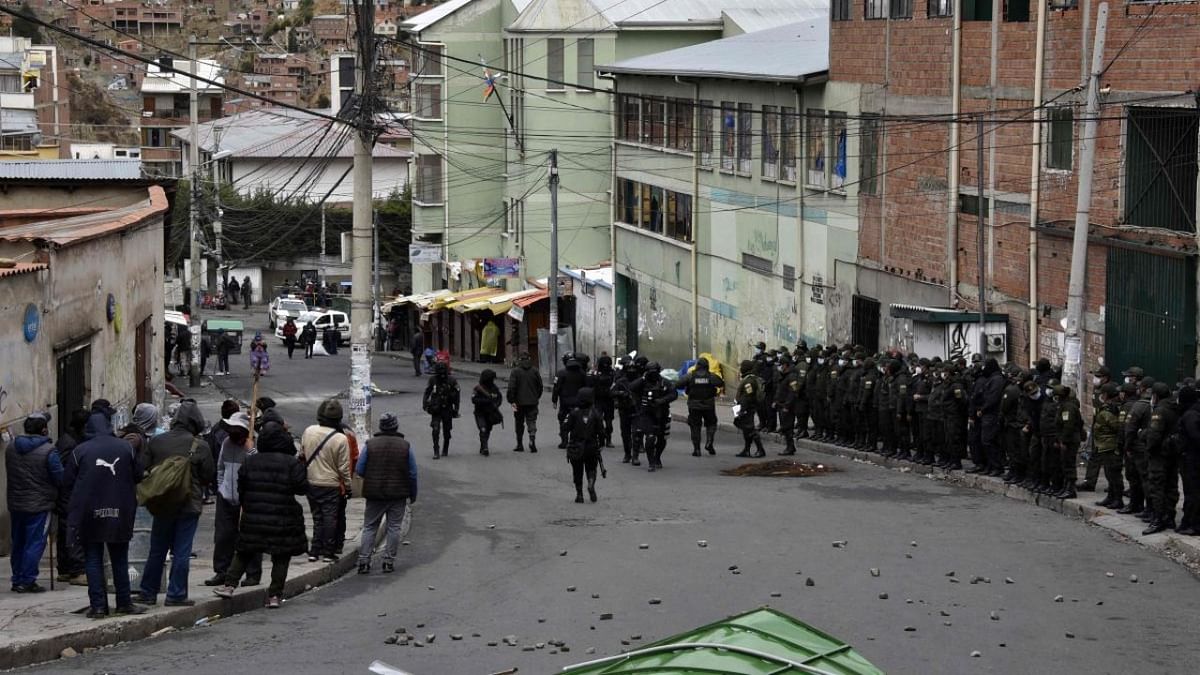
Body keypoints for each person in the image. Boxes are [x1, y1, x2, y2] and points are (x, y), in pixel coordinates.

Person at [213, 424, 307, 608]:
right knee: (281, 556)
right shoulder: (291, 463)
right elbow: (302, 488)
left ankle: (229, 585)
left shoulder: (250, 461)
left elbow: (241, 486)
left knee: (245, 551)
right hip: (283, 517)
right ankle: (274, 595)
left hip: (254, 515)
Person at [67, 405, 145, 618]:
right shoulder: (125, 448)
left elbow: (68, 482)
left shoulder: (80, 451)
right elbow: (139, 474)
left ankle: (99, 606)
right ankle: (124, 602)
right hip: (120, 510)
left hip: (89, 512)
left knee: (92, 558)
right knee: (119, 558)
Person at [133, 400, 214, 607]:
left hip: (162, 504)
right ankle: (176, 594)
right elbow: (208, 476)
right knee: (182, 551)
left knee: (157, 549)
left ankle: (148, 592)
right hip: (189, 504)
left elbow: (143, 468)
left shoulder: (157, 442)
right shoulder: (200, 446)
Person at [355, 413, 418, 575]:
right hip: (398, 494)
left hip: (374, 493)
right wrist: (413, 493)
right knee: (394, 527)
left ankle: (364, 561)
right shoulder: (405, 446)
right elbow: (412, 473)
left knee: (370, 526)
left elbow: (359, 470)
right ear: (396, 426)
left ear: (381, 427)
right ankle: (388, 561)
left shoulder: (370, 445)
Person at [6, 411, 61, 593]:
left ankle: (17, 578)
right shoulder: (49, 451)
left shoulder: (11, 447)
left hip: (16, 502)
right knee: (35, 542)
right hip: (40, 504)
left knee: (19, 541)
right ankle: (27, 580)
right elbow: (59, 478)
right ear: (44, 430)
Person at [209, 412, 262, 588]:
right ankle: (221, 571)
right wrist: (220, 487)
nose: (234, 435)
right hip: (225, 497)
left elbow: (259, 468)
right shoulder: (226, 443)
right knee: (223, 536)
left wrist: (250, 449)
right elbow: (221, 467)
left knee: (249, 538)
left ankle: (253, 574)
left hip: (247, 499)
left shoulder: (252, 447)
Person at [299, 399, 352, 562]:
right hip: (331, 484)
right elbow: (344, 467)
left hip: (311, 481)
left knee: (317, 517)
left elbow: (302, 454)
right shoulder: (340, 439)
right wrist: (348, 487)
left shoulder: (309, 431)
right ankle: (328, 552)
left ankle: (315, 550)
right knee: (330, 517)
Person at [53, 409, 90, 586]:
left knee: (66, 531)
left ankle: (66, 569)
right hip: (68, 494)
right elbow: (61, 471)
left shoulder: (72, 440)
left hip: (68, 493)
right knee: (71, 530)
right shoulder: (69, 443)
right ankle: (75, 570)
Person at [1143, 381, 1182, 534]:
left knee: (1157, 486)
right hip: (1172, 453)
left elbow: (1154, 434)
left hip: (1160, 454)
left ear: (1156, 396)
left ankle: (1158, 519)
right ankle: (1169, 517)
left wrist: (1148, 447)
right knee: (1171, 486)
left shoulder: (1160, 410)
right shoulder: (1175, 407)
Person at [631, 362, 677, 471]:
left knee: (661, 439)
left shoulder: (664, 382)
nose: (652, 374)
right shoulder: (643, 382)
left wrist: (662, 400)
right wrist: (643, 378)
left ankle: (657, 458)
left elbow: (673, 394)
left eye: (654, 372)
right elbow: (632, 387)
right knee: (650, 438)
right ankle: (651, 462)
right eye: (650, 371)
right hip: (647, 414)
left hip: (662, 413)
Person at [1078, 365, 1114, 491]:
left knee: (1109, 457)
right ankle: (1089, 482)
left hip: (1106, 429)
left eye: (1099, 377)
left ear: (1106, 378)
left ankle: (1114, 484)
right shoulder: (1096, 388)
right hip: (1096, 425)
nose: (1096, 379)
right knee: (1094, 455)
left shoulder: (1110, 389)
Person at [565, 388, 604, 503]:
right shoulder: (596, 413)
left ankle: (579, 495)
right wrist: (601, 443)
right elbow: (601, 431)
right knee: (591, 468)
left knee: (577, 471)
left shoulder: (573, 413)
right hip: (591, 446)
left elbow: (565, 427)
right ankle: (591, 483)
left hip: (576, 447)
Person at [1092, 383, 1126, 510]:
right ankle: (1111, 497)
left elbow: (1116, 426)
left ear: (1105, 395)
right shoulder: (1106, 408)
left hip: (1111, 445)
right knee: (1108, 473)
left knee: (1114, 474)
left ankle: (1118, 499)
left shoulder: (1110, 410)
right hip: (1104, 445)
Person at [680, 357, 722, 457]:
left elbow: (678, 384)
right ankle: (709, 442)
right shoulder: (711, 376)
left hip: (694, 406)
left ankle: (697, 450)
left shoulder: (690, 376)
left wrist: (688, 387)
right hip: (708, 405)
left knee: (695, 427)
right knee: (711, 424)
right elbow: (720, 383)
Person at [507, 352, 543, 453]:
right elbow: (540, 386)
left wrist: (512, 400)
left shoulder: (515, 371)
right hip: (532, 402)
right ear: (529, 359)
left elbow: (511, 388)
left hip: (518, 403)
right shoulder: (535, 370)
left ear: (520, 360)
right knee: (532, 421)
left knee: (519, 423)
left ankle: (519, 444)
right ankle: (532, 438)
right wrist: (536, 397)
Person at [423, 362, 460, 459]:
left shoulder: (452, 380)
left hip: (447, 408)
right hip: (436, 408)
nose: (442, 374)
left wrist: (456, 408)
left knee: (447, 431)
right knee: (435, 429)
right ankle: (436, 450)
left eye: (443, 371)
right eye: (440, 371)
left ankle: (445, 448)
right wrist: (425, 404)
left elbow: (457, 395)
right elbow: (427, 392)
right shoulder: (433, 380)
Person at [1176, 385, 1200, 535]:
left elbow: (1195, 437)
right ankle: (1188, 521)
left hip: (1192, 459)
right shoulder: (1192, 411)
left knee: (1193, 492)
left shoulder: (1191, 414)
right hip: (1191, 458)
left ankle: (1195, 524)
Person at [553, 356, 588, 450]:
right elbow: (586, 387)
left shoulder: (561, 373)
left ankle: (564, 440)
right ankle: (576, 439)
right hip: (578, 402)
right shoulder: (582, 373)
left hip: (565, 402)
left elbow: (556, 388)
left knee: (563, 419)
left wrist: (554, 400)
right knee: (578, 419)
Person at [734, 360, 766, 459]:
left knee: (750, 429)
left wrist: (743, 409)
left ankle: (760, 450)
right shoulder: (747, 378)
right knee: (746, 429)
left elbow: (748, 396)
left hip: (747, 408)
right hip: (744, 407)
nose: (740, 369)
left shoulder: (749, 381)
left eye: (742, 367)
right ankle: (746, 450)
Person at [612, 357, 640, 462]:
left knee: (637, 433)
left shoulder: (640, 381)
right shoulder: (621, 381)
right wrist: (621, 394)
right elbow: (612, 392)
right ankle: (627, 454)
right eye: (629, 368)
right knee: (625, 434)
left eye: (633, 369)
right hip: (624, 409)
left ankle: (635, 456)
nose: (631, 371)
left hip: (637, 410)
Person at [472, 370, 503, 456]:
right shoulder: (478, 388)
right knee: (483, 428)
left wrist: (496, 405)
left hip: (490, 413)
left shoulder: (494, 388)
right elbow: (474, 399)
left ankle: (483, 445)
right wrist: (486, 401)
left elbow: (499, 398)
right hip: (480, 412)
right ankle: (485, 447)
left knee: (488, 430)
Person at [591, 355, 616, 448]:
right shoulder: (595, 373)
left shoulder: (612, 373)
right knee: (598, 420)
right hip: (598, 400)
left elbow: (616, 384)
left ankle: (608, 439)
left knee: (609, 423)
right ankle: (600, 438)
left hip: (609, 400)